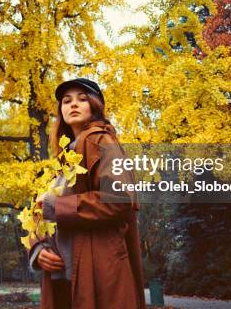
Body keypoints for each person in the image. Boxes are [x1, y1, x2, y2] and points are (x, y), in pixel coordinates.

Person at [28, 78, 146, 309]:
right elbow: (39, 212)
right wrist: (38, 248)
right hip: (62, 276)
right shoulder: (62, 159)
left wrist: (56, 205)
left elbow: (119, 199)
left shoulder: (101, 141)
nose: (73, 104)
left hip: (97, 272)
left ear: (94, 105)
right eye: (66, 101)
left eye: (82, 99)